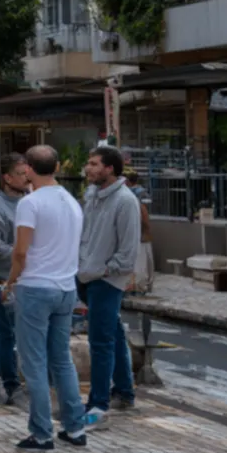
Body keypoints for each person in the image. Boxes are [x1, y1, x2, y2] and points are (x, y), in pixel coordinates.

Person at [5, 145, 87, 450]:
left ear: (27, 169)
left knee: (34, 362)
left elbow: (21, 251)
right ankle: (75, 427)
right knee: (61, 360)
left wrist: (10, 281)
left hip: (36, 286)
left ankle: (41, 432)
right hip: (66, 286)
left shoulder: (31, 203)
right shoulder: (72, 201)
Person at [80, 146, 141, 425]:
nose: (88, 168)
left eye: (94, 164)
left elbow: (128, 252)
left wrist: (104, 270)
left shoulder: (125, 201)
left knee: (100, 342)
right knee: (113, 334)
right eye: (89, 163)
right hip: (85, 274)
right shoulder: (91, 194)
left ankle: (98, 404)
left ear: (110, 169)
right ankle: (125, 392)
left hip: (106, 279)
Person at [0, 154, 29, 405]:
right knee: (1, 331)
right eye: (21, 173)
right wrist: (23, 252)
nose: (26, 177)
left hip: (25, 277)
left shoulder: (30, 203)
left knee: (2, 329)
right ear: (7, 177)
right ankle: (6, 383)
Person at [124, 169, 155, 294]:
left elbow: (143, 214)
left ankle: (139, 286)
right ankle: (145, 285)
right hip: (143, 233)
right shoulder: (143, 193)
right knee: (147, 260)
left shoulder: (134, 195)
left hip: (139, 233)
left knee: (140, 262)